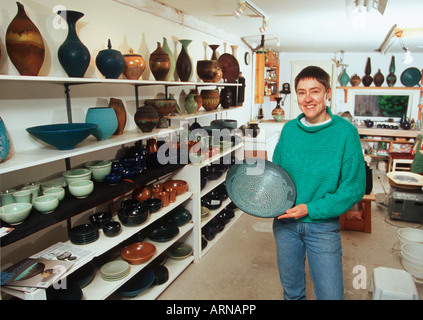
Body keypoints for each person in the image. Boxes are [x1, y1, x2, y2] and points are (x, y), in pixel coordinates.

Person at [272, 66, 365, 300]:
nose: (308, 98)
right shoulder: (289, 130)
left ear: (328, 93)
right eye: (301, 92)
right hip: (285, 224)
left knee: (331, 296)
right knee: (292, 294)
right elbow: (277, 175)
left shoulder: (345, 133)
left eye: (315, 91)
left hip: (322, 226)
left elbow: (354, 188)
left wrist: (311, 209)